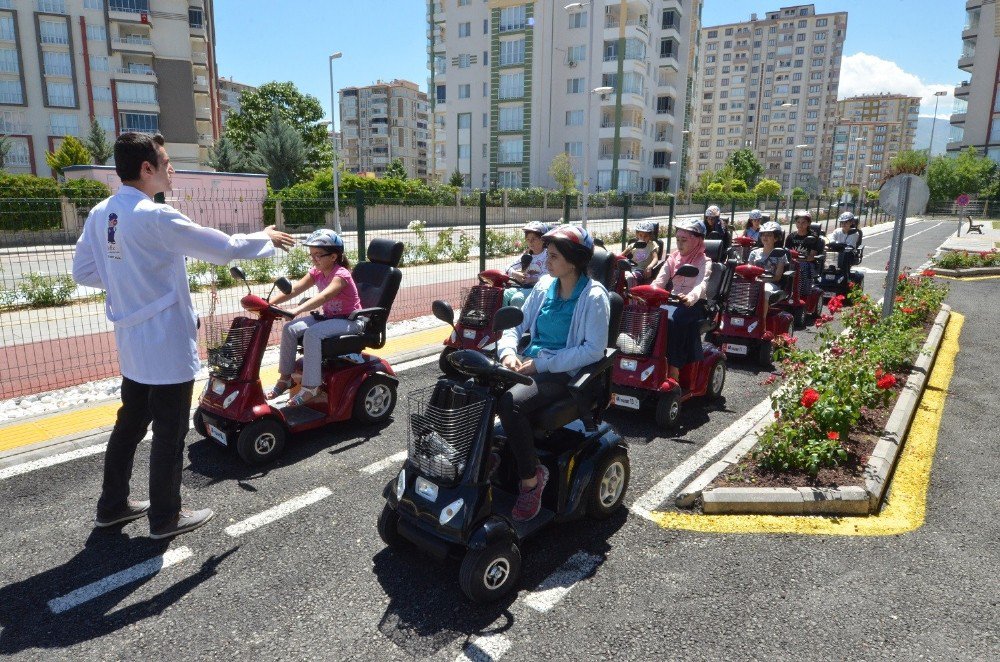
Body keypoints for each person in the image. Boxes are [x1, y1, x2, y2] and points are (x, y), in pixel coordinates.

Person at [72, 133, 295, 540]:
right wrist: (267, 237)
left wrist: (129, 283)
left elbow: (83, 272)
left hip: (132, 341)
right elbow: (226, 248)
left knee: (129, 426)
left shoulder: (102, 212)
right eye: (165, 160)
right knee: (170, 434)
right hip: (166, 344)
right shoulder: (155, 217)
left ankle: (113, 506)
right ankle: (166, 518)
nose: (170, 168)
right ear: (147, 169)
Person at [496, 225, 610, 521]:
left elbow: (593, 351)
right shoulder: (545, 284)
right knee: (471, 385)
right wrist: (508, 351)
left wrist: (542, 364)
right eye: (548, 253)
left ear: (574, 260)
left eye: (554, 255)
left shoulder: (594, 296)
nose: (546, 259)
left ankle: (532, 479)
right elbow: (515, 325)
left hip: (563, 373)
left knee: (511, 403)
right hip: (529, 363)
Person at [266, 229, 362, 406]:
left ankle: (311, 387)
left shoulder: (341, 275)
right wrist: (267, 304)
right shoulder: (316, 272)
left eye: (318, 255)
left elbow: (323, 297)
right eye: (311, 255)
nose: (314, 259)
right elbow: (294, 290)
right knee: (290, 328)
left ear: (333, 256)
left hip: (350, 321)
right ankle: (286, 378)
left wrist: (297, 310)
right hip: (330, 319)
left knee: (312, 334)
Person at [651, 219, 712, 383]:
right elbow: (659, 281)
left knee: (671, 320)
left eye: (684, 240)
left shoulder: (703, 261)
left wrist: (690, 297)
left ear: (696, 240)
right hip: (672, 302)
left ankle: (674, 368)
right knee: (650, 315)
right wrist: (647, 293)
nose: (679, 244)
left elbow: (702, 285)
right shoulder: (673, 258)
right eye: (678, 239)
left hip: (694, 304)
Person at [502, 221, 549, 308]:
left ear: (543, 240)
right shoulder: (527, 255)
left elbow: (548, 277)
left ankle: (520, 321)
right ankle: (503, 320)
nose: (530, 242)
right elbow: (508, 267)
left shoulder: (548, 255)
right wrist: (515, 274)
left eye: (534, 239)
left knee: (517, 299)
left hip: (539, 289)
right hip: (524, 287)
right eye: (528, 239)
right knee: (503, 294)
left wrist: (532, 279)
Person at [746, 221, 788, 318]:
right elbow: (748, 271)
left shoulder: (780, 254)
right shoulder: (754, 253)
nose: (765, 237)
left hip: (771, 284)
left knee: (763, 291)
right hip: (755, 281)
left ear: (776, 238)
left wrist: (761, 280)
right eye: (763, 235)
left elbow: (777, 277)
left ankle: (761, 322)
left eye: (769, 235)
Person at [784, 212, 821, 294]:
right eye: (798, 222)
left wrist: (797, 258)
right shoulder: (791, 237)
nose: (800, 224)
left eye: (803, 222)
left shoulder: (813, 237)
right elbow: (786, 253)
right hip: (792, 262)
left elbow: (812, 257)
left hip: (808, 264)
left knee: (801, 267)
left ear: (808, 223)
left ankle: (801, 293)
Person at [622, 220, 661, 287]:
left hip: (642, 271)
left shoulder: (652, 245)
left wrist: (649, 267)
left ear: (650, 236)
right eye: (640, 235)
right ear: (637, 234)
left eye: (646, 236)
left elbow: (655, 258)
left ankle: (631, 295)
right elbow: (621, 255)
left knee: (630, 277)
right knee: (616, 274)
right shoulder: (633, 245)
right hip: (630, 268)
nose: (643, 238)